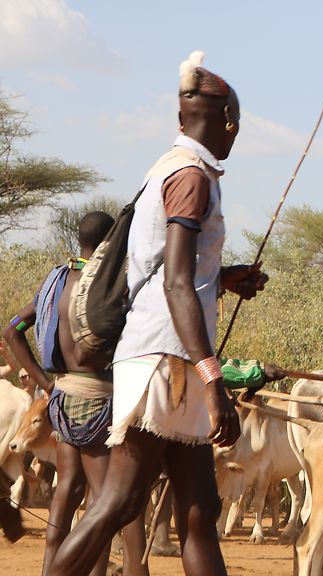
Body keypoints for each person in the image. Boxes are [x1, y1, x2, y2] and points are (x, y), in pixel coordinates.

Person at [47, 52, 267, 576]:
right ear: (228, 122)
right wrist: (213, 380)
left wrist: (225, 276)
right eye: (236, 125)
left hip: (164, 356)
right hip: (167, 361)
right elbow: (174, 281)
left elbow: (170, 269)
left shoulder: (167, 168)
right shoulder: (192, 176)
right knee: (118, 503)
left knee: (199, 510)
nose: (235, 136)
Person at [3, 211, 149, 576]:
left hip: (62, 399)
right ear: (110, 244)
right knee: (108, 501)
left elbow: (12, 329)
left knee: (67, 492)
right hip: (100, 400)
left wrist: (43, 380)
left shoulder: (55, 284)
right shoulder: (108, 286)